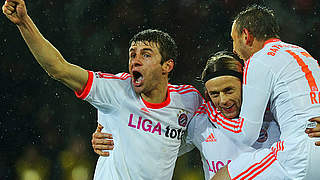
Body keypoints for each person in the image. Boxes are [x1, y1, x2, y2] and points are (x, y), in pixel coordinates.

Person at [2, 0, 203, 179]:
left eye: (146, 55)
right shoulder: (116, 90)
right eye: (132, 55)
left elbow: (202, 132)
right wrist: (24, 22)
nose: (136, 61)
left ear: (167, 66)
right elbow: (59, 68)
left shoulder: (188, 100)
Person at [91, 51, 320, 179]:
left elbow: (306, 128)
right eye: (214, 94)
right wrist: (112, 141)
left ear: (247, 86)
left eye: (230, 90)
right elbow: (155, 145)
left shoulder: (275, 115)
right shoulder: (201, 122)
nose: (223, 101)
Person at [210, 5, 320, 180]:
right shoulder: (303, 53)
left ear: (246, 36)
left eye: (233, 39)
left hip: (299, 154)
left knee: (222, 177)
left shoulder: (259, 60)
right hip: (315, 149)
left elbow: (246, 134)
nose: (233, 50)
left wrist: (213, 114)